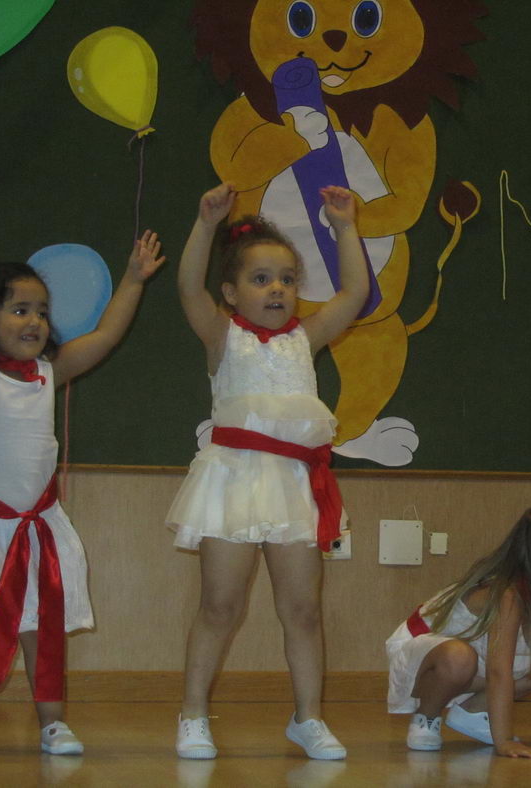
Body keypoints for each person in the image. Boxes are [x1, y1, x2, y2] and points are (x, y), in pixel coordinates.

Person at [0, 196, 164, 755]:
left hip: (37, 525)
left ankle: (53, 722)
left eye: (42, 311)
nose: (34, 321)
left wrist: (133, 280)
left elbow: (106, 337)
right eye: (19, 309)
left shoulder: (50, 373)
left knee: (38, 626)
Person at [168, 183, 368, 760]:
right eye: (261, 279)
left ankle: (308, 718)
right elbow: (186, 286)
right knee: (219, 606)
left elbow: (355, 291)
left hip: (292, 488)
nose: (277, 288)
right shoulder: (222, 336)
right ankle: (193, 713)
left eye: (286, 278)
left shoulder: (306, 339)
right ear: (231, 292)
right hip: (232, 481)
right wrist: (205, 225)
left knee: (302, 610)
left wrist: (345, 227)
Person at [385, 497, 531, 759]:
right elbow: (498, 673)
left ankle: (473, 712)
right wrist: (504, 742)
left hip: (469, 661)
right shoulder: (507, 595)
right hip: (420, 654)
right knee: (458, 658)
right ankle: (426, 717)